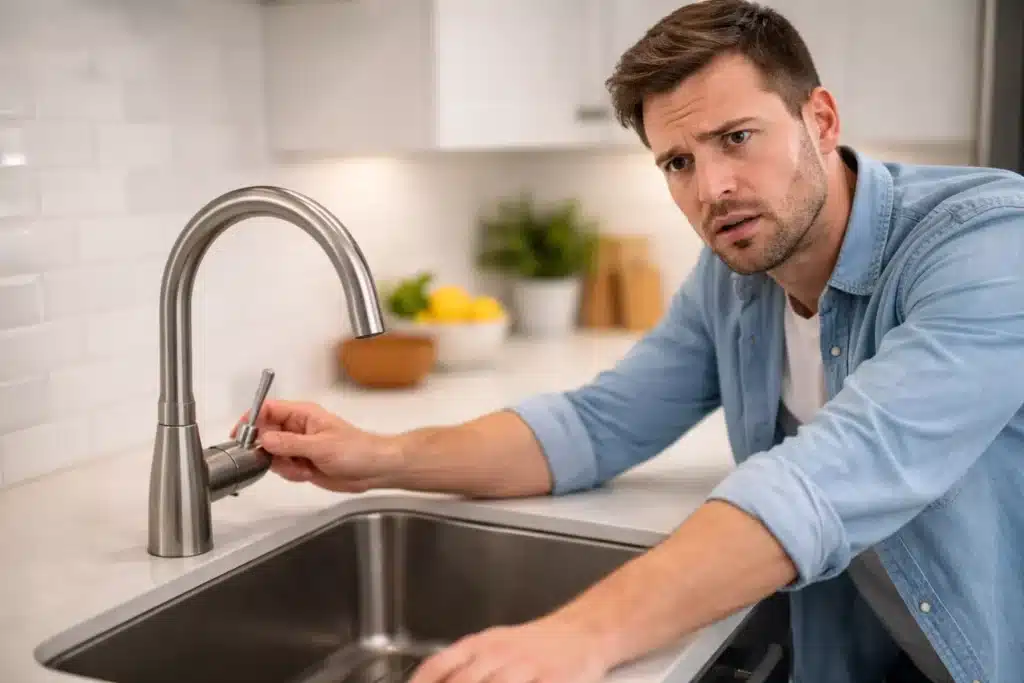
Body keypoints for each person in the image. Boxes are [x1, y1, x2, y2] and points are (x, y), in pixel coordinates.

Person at [235, 1, 1024, 681]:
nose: (711, 188)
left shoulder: (986, 243)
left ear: (819, 119)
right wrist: (381, 456)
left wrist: (581, 633)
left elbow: (830, 476)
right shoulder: (737, 275)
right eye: (678, 161)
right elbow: (596, 424)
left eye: (737, 137)